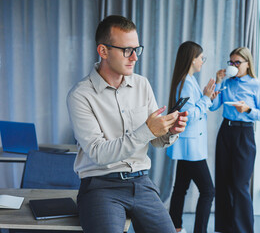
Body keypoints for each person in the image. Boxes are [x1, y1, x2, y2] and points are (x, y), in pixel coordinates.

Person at [66, 15, 188, 233]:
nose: (134, 57)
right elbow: (98, 154)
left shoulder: (142, 85)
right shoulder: (80, 95)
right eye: (126, 50)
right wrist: (147, 131)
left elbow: (157, 141)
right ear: (103, 51)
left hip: (141, 182)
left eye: (136, 49)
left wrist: (169, 131)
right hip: (100, 186)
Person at [210, 47, 260, 233]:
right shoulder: (226, 83)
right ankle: (226, 228)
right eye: (231, 62)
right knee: (224, 181)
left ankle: (243, 230)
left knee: (240, 184)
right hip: (226, 132)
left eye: (237, 63)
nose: (233, 66)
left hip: (244, 134)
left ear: (247, 64)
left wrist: (248, 110)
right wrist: (218, 82)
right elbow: (213, 107)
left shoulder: (256, 85)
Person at [167, 41, 217, 233]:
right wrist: (205, 98)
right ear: (192, 59)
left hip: (188, 145)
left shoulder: (188, 80)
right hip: (190, 147)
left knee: (180, 188)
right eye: (201, 58)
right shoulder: (185, 83)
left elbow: (200, 106)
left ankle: (175, 227)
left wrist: (207, 97)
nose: (202, 61)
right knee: (208, 191)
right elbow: (188, 116)